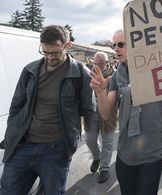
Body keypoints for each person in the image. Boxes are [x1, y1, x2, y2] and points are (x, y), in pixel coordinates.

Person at [0, 25, 95, 194]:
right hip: (22, 146)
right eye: (45, 52)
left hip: (56, 150)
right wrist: (11, 136)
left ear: (68, 46)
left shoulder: (81, 73)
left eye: (55, 53)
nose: (50, 57)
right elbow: (16, 107)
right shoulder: (30, 70)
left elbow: (87, 109)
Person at [90, 29, 162, 195]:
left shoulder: (157, 70)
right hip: (126, 154)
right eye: (113, 45)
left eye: (120, 44)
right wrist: (100, 92)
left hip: (152, 154)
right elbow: (106, 114)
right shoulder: (117, 76)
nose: (116, 49)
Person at [84, 51, 116, 183]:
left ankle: (104, 168)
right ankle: (96, 157)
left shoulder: (114, 75)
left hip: (109, 112)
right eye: (95, 63)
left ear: (107, 63)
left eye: (100, 64)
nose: (97, 66)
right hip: (91, 112)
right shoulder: (87, 73)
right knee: (90, 139)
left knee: (107, 141)